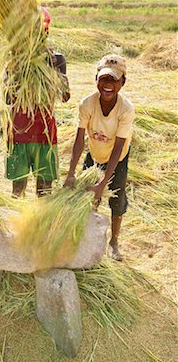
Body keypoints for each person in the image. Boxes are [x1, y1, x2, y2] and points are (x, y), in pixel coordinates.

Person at [64, 54, 134, 261]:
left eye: (114, 79)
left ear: (123, 82)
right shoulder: (87, 104)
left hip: (117, 158)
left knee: (117, 201)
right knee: (88, 198)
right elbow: (78, 141)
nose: (108, 85)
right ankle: (89, 238)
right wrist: (70, 174)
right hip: (94, 154)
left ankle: (113, 242)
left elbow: (118, 147)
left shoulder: (125, 109)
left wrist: (104, 182)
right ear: (96, 79)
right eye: (103, 78)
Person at [5, 7, 70, 198]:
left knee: (45, 191)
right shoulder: (14, 61)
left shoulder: (56, 59)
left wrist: (54, 77)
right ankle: (20, 225)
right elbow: (7, 99)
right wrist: (16, 75)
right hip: (18, 134)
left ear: (46, 33)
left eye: (39, 33)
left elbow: (65, 97)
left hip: (45, 134)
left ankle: (41, 226)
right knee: (18, 192)